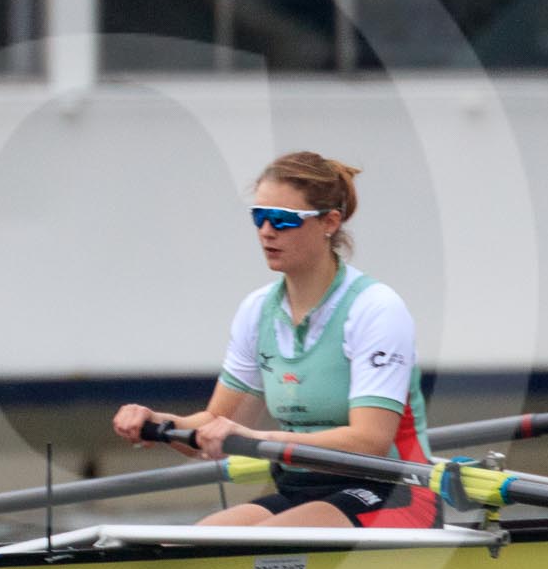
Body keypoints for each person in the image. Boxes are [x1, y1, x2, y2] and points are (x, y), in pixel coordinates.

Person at [111, 152, 441, 529]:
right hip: (302, 488)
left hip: (394, 493)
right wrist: (161, 422)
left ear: (329, 223)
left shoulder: (374, 308)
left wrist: (255, 436)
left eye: (283, 220)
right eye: (259, 216)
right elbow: (214, 427)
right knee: (188, 543)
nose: (267, 231)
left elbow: (371, 440)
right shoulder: (257, 311)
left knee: (250, 545)